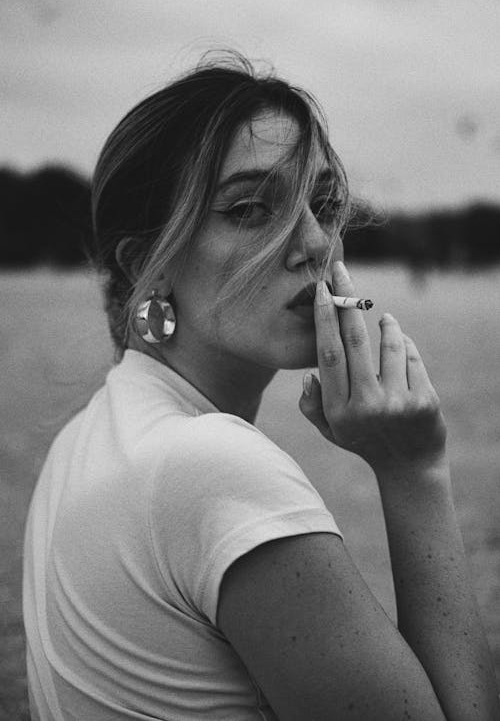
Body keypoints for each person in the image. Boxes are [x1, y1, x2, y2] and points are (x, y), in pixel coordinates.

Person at [22, 52, 499, 721]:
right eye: (251, 209)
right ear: (148, 267)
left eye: (326, 205)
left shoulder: (87, 435)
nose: (316, 243)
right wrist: (413, 469)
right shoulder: (214, 466)